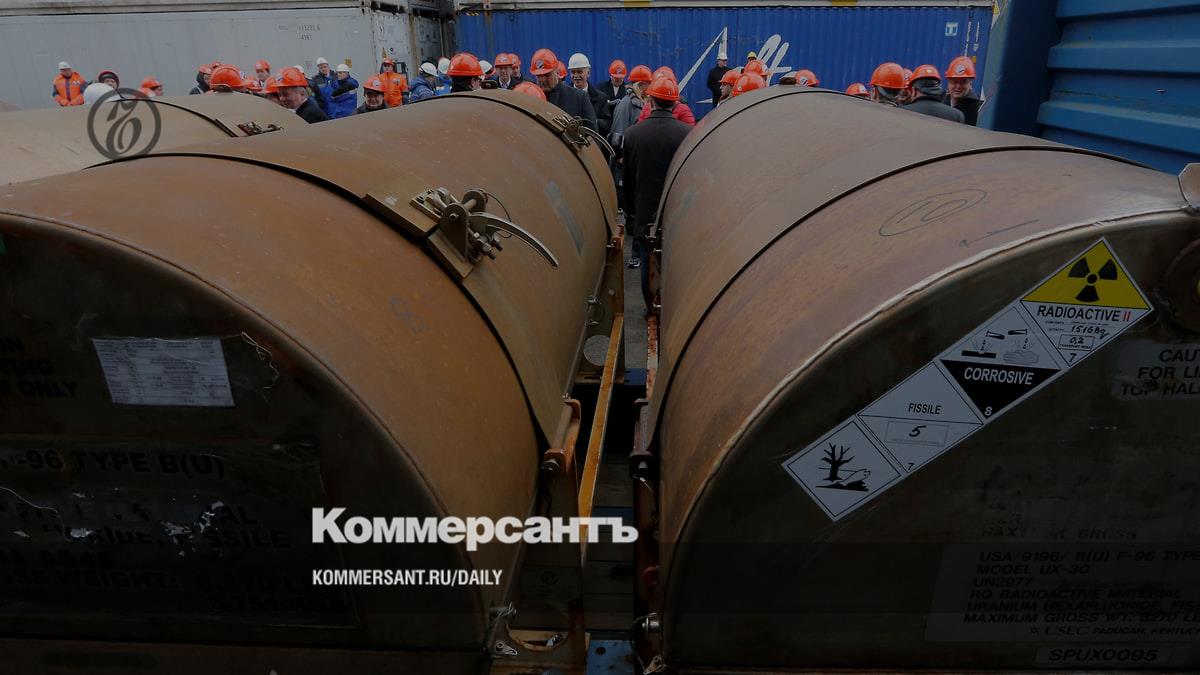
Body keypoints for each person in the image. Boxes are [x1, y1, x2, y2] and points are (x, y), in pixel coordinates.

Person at [622, 76, 692, 302]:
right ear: (674, 103)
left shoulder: (633, 134)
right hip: (678, 211)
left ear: (650, 101)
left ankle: (650, 306)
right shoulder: (687, 133)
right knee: (675, 263)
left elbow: (628, 178)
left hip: (644, 211)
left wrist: (631, 211)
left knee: (647, 259)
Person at [531, 48, 597, 130]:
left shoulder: (579, 98)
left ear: (556, 71)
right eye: (538, 76)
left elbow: (593, 134)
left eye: (547, 75)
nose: (542, 80)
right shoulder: (531, 98)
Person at [568, 53, 609, 133]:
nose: (576, 75)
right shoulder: (563, 95)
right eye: (573, 72)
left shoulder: (601, 98)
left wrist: (592, 121)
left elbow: (607, 124)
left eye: (579, 72)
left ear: (588, 73)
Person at [943, 56, 983, 126]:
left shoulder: (978, 109)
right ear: (948, 83)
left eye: (963, 82)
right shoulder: (941, 103)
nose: (958, 86)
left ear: (970, 84)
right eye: (955, 82)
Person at [598, 60, 629, 134]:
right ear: (610, 75)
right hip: (604, 128)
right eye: (615, 77)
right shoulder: (601, 88)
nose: (617, 79)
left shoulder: (628, 90)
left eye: (620, 78)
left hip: (621, 127)